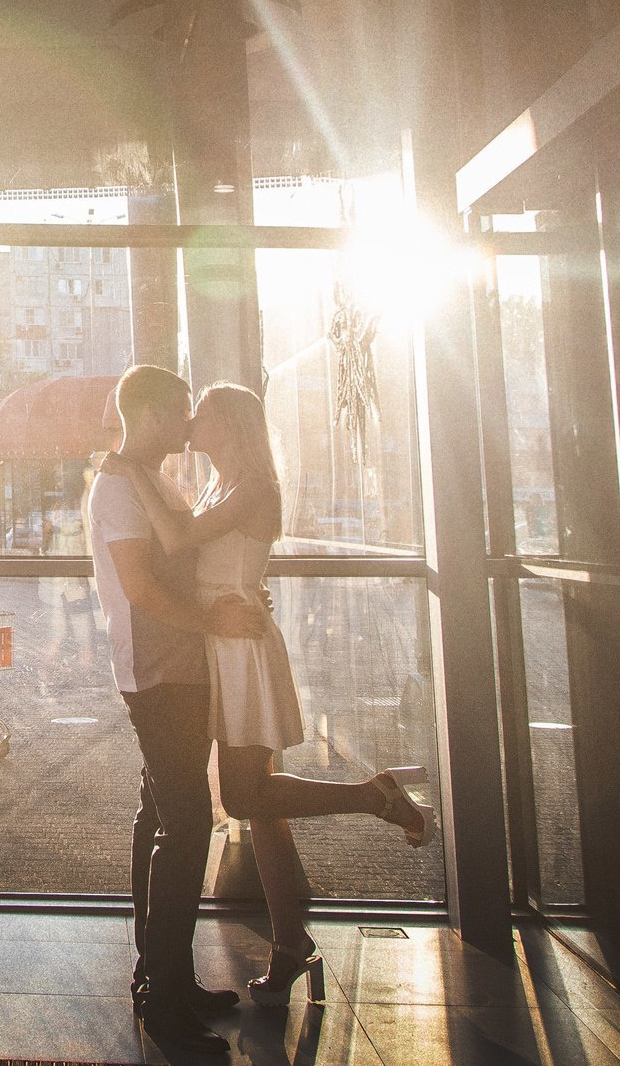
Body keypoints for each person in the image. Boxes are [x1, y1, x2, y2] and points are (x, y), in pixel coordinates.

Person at [106, 382, 428, 1004]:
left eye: (203, 413)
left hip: (239, 649)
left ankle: (373, 795)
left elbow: (176, 540)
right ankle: (290, 946)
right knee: (263, 806)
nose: (192, 421)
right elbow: (201, 549)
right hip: (223, 643)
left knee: (244, 793)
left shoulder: (251, 487)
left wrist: (129, 468)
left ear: (230, 426)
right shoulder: (218, 485)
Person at [84, 364, 265, 1050]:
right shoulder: (121, 487)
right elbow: (140, 589)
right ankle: (164, 1002)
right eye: (183, 409)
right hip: (160, 673)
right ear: (155, 412)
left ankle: (160, 974)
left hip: (178, 668)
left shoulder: (147, 477)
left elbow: (184, 563)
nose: (190, 423)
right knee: (186, 825)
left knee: (160, 812)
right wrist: (211, 622)